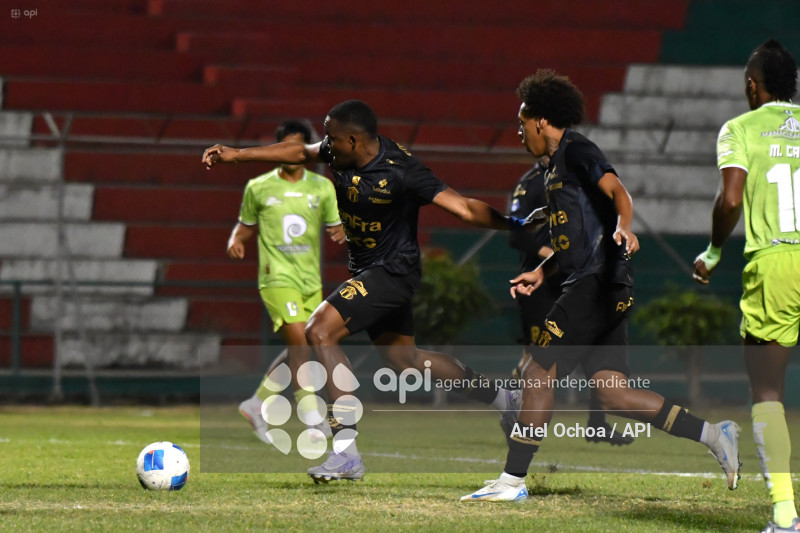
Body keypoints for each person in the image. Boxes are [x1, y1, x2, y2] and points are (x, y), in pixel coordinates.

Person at [204, 100, 530, 483]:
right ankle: (504, 399)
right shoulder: (339, 150)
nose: (325, 145)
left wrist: (515, 225)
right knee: (404, 359)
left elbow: (462, 208)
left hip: (393, 272)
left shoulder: (401, 170)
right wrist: (236, 155)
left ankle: (346, 453)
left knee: (320, 330)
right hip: (371, 271)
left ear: (354, 140)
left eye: (332, 139)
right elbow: (298, 150)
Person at [461, 69, 741, 502]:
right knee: (613, 393)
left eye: (521, 125)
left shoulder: (576, 150)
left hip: (594, 283)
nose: (519, 134)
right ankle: (713, 434)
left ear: (539, 120)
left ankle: (512, 482)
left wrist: (625, 227)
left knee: (538, 371)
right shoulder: (555, 170)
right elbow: (575, 240)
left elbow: (618, 191)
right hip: (605, 283)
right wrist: (542, 270)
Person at [693, 39, 800, 533]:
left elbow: (730, 201)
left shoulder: (739, 129)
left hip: (776, 262)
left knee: (768, 390)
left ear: (751, 87)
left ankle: (784, 515)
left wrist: (715, 250)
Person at [230, 120, 345, 444]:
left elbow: (338, 225)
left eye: (297, 147)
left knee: (303, 344)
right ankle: (311, 413)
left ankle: (257, 404)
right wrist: (235, 240)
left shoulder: (321, 188)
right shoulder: (259, 187)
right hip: (276, 277)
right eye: (284, 147)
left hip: (310, 280)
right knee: (298, 339)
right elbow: (245, 225)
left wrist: (343, 230)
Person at [508, 159, 633, 446]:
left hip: (576, 280)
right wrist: (553, 256)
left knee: (594, 349)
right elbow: (517, 237)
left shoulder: (573, 180)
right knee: (537, 359)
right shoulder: (531, 183)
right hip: (542, 285)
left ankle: (598, 424)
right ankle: (514, 413)